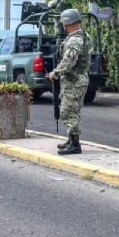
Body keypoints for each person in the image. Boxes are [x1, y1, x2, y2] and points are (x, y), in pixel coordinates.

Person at [49, 9, 91, 155]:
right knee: (73, 110)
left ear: (68, 23)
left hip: (74, 80)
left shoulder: (75, 40)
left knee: (67, 112)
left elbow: (68, 61)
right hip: (77, 80)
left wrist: (55, 73)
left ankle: (75, 144)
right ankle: (71, 140)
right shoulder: (83, 36)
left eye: (64, 24)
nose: (63, 27)